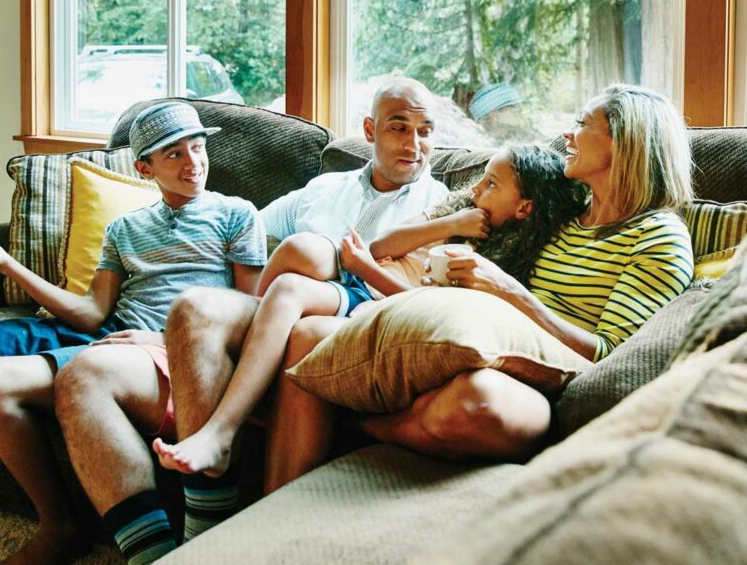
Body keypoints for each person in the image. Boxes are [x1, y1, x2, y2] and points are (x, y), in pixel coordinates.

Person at [0, 101, 266, 565]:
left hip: (170, 347)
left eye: (197, 148)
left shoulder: (237, 214)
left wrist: (162, 339)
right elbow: (92, 313)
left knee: (0, 381)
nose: (193, 162)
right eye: (174, 154)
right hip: (110, 333)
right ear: (145, 168)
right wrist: (4, 263)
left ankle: (79, 533)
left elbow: (249, 313)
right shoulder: (126, 227)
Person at [54, 77, 449, 547]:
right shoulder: (324, 189)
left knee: (300, 261)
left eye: (425, 131)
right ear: (370, 130)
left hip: (343, 321)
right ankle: (197, 532)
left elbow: (427, 299)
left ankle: (208, 522)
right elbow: (234, 235)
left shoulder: (440, 208)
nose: (414, 144)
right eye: (399, 128)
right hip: (272, 313)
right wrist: (164, 324)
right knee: (193, 307)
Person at [264, 84, 696, 494]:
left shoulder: (659, 237)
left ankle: (351, 423)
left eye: (583, 124)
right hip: (484, 347)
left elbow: (611, 358)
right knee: (310, 335)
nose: (568, 134)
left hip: (551, 384)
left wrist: (506, 290)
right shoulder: (567, 212)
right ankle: (267, 513)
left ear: (624, 143)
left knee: (475, 402)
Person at [152, 143, 587, 476]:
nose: (475, 189)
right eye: (482, 178)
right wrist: (451, 223)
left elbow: (420, 307)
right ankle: (228, 412)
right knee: (287, 282)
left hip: (380, 305)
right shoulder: (458, 212)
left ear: (524, 207)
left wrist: (365, 267)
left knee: (293, 298)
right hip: (363, 287)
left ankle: (223, 428)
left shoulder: (492, 266)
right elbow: (383, 245)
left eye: (491, 184)